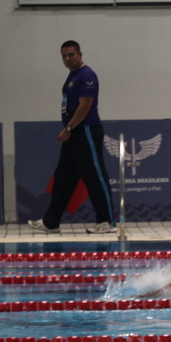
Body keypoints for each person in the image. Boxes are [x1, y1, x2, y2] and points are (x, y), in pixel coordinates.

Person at [29, 41, 116, 235]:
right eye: (64, 56)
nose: (68, 58)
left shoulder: (87, 75)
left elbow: (85, 107)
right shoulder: (73, 76)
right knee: (63, 178)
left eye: (71, 54)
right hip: (74, 134)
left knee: (95, 177)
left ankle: (107, 222)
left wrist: (68, 127)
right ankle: (51, 222)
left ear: (80, 54)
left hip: (86, 131)